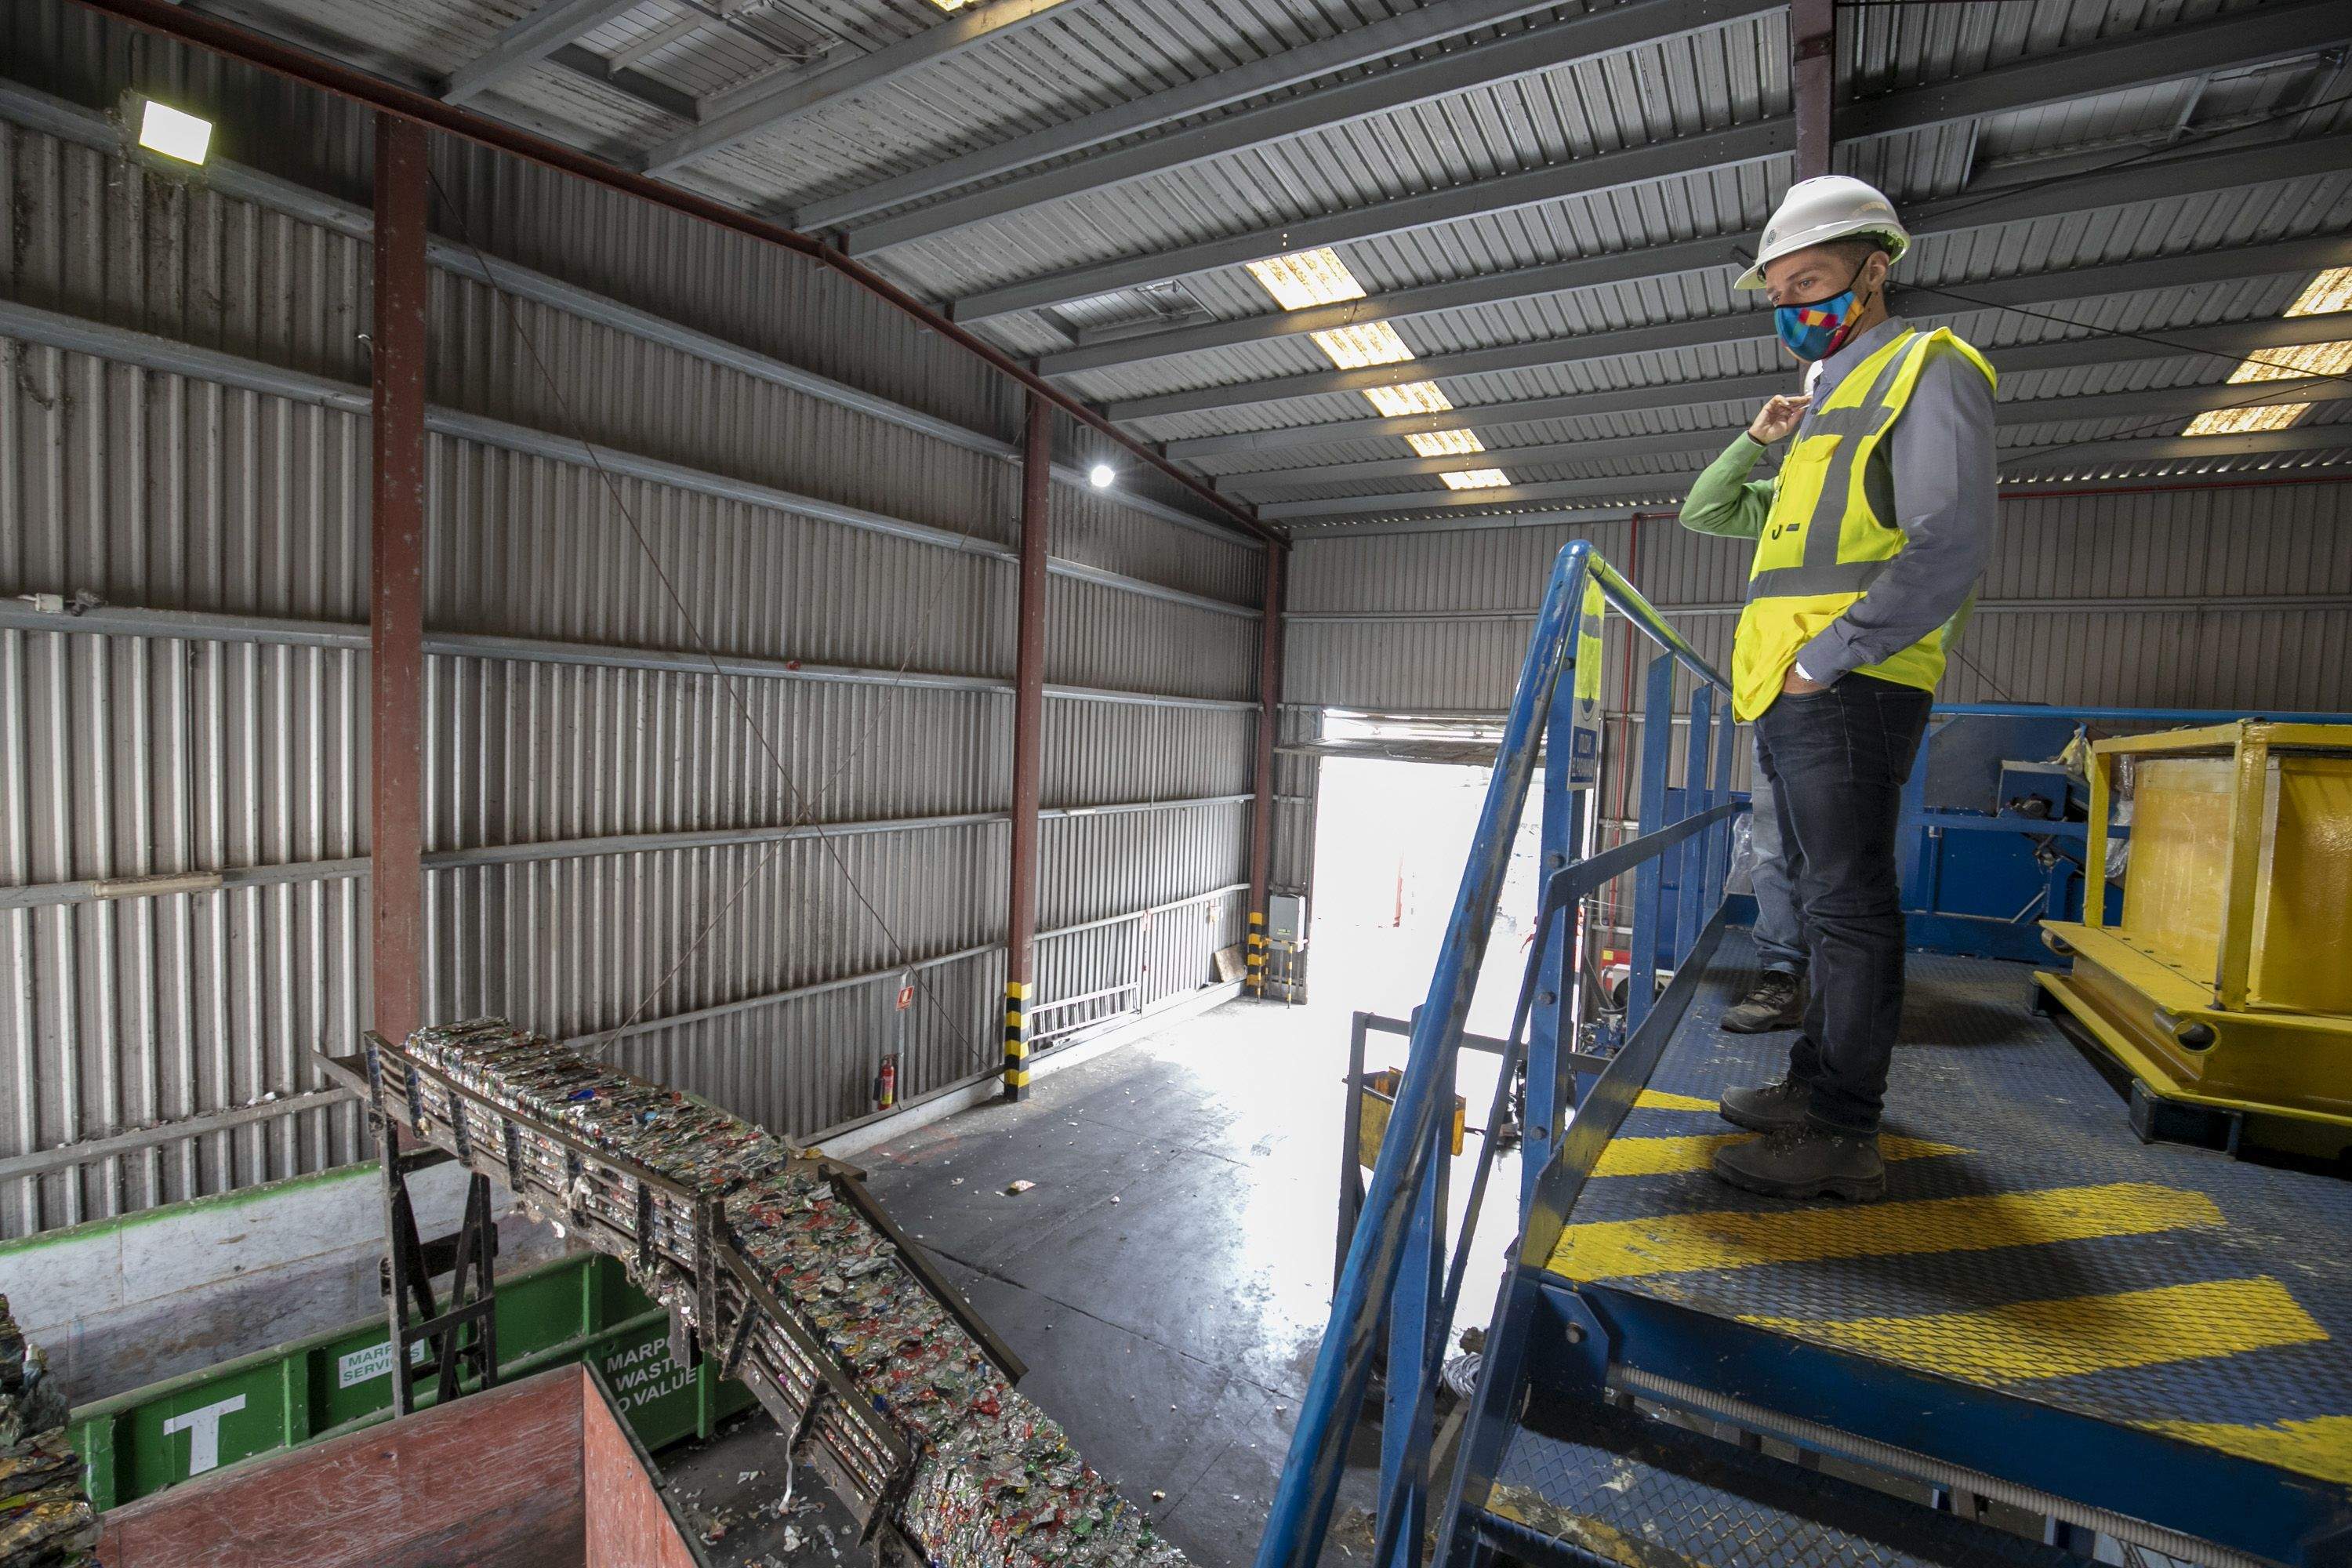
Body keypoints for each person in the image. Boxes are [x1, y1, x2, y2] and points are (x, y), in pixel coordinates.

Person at [1674, 175, 1996, 1202]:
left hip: (1846, 687)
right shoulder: (1819, 411)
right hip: (1788, 690)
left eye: (1810, 279)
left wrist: (1830, 657)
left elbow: (1950, 545)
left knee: (1850, 909)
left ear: (1876, 267)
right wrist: (1761, 435)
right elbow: (1708, 511)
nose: (1794, 304)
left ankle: (1844, 1134)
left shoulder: (1925, 367)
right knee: (1820, 904)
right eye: (1779, 289)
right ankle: (1814, 1090)